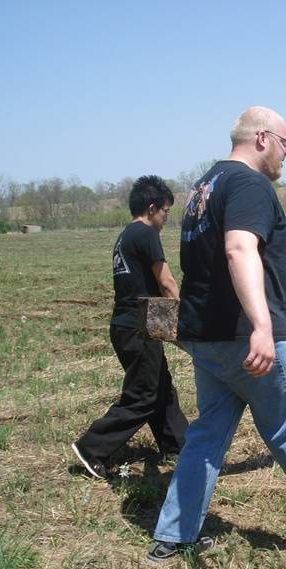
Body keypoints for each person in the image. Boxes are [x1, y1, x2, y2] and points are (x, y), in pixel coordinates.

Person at [146, 106, 286, 565]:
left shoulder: (203, 187)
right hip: (245, 336)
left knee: (207, 434)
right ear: (262, 138)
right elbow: (239, 248)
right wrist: (263, 325)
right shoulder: (249, 183)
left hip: (207, 337)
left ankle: (174, 536)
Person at [72, 176, 188, 479]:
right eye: (165, 211)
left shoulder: (126, 235)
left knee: (160, 386)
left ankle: (179, 445)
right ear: (151, 208)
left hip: (128, 323)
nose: (166, 217)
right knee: (144, 395)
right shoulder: (146, 233)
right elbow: (166, 282)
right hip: (139, 325)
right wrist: (185, 320)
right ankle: (92, 448)